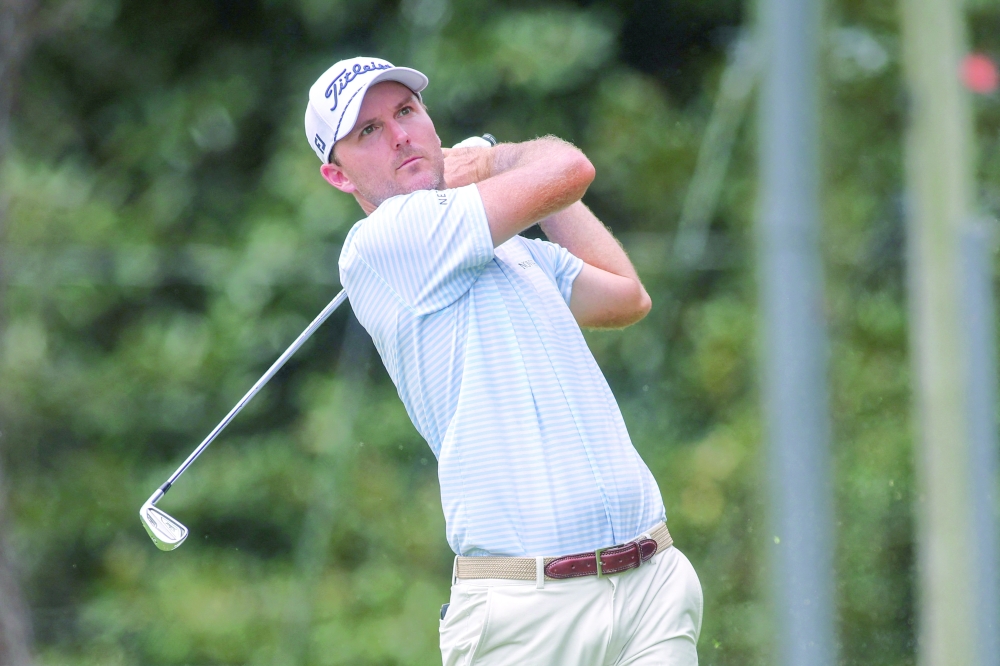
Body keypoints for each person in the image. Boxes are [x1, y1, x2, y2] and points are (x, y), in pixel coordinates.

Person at [305, 56, 703, 665]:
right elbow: (571, 167)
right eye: (369, 132)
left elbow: (626, 296)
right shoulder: (385, 242)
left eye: (406, 112)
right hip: (529, 610)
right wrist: (496, 162)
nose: (400, 135)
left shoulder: (509, 251)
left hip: (650, 584)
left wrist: (520, 190)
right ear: (339, 177)